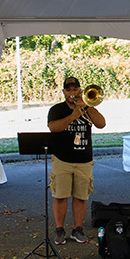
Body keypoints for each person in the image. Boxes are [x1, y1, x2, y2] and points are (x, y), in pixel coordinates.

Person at [47, 76, 106, 245]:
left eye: (75, 90)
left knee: (81, 197)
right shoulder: (57, 109)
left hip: (84, 159)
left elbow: (101, 124)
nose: (72, 93)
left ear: (80, 90)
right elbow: (53, 128)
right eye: (68, 90)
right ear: (64, 92)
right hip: (62, 159)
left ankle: (78, 229)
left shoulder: (88, 106)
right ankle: (59, 230)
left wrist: (87, 107)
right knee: (60, 196)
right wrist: (73, 115)